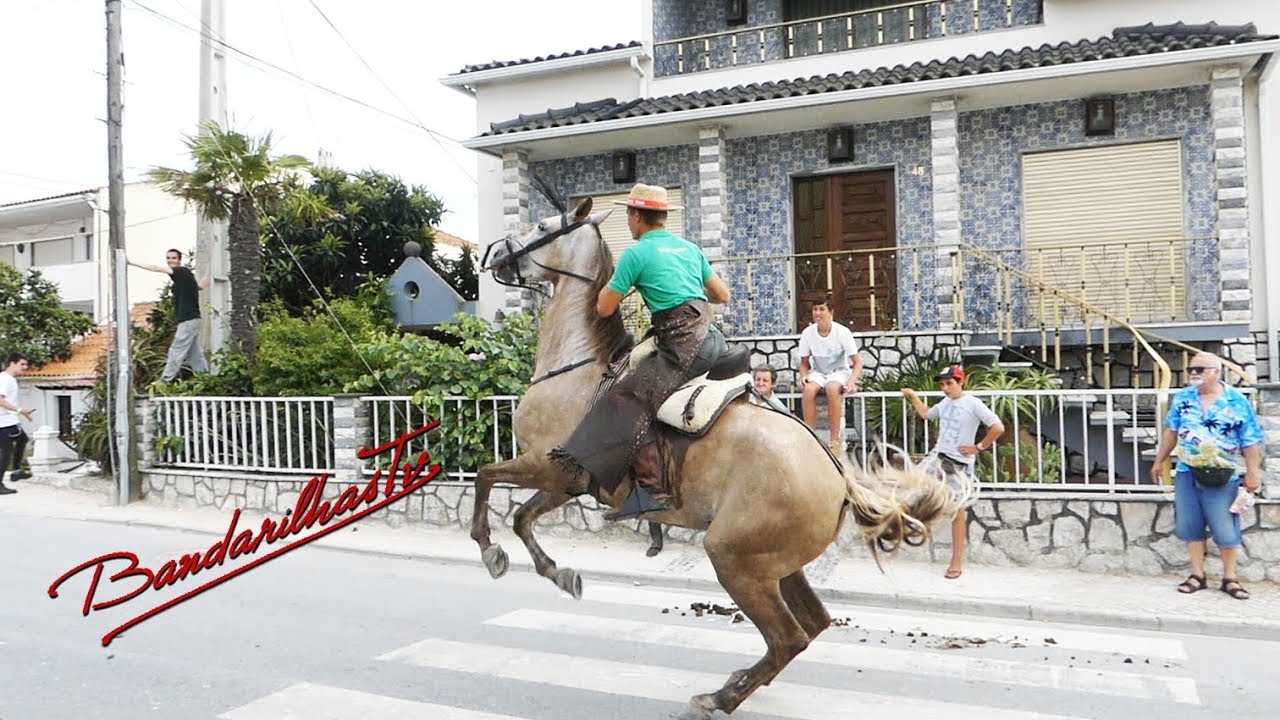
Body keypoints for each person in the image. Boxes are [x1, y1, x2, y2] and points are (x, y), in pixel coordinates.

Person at [552, 183, 731, 520]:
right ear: (662, 217)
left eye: (628, 216)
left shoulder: (636, 254)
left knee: (627, 400)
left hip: (682, 346)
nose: (629, 222)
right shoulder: (689, 248)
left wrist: (614, 285)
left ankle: (651, 490)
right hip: (713, 340)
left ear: (636, 217)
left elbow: (604, 309)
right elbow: (722, 295)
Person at [1150, 352, 1262, 600]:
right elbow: (1172, 431)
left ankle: (1230, 577)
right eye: (1191, 369)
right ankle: (1197, 575)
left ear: (1216, 371)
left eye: (1199, 369)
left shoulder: (1236, 401)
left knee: (1224, 526)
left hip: (1221, 474)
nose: (1193, 374)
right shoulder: (1184, 398)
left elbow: (1250, 440)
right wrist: (1160, 460)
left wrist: (1253, 473)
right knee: (1190, 524)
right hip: (1187, 471)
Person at [901, 365, 1004, 579]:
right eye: (942, 384)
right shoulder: (945, 402)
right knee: (908, 487)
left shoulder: (973, 403)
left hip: (960, 464)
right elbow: (927, 414)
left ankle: (956, 562)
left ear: (961, 382)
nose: (945, 388)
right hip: (938, 457)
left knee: (957, 513)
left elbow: (997, 427)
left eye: (949, 383)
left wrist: (979, 447)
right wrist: (912, 396)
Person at [128, 249, 210, 383]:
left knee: (175, 351)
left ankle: (164, 382)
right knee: (194, 355)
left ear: (179, 260)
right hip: (191, 320)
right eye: (168, 258)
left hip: (188, 320)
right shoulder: (184, 277)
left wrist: (131, 262)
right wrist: (211, 270)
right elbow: (200, 286)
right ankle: (206, 380)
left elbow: (155, 268)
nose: (170, 261)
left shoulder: (181, 272)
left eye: (173, 258)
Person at [798, 298, 863, 455]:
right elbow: (804, 362)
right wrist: (803, 376)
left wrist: (852, 382)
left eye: (821, 309)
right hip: (818, 371)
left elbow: (857, 361)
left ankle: (834, 440)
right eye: (815, 309)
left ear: (831, 312)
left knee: (832, 388)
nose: (817, 313)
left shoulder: (842, 332)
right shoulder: (808, 333)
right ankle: (811, 436)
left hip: (839, 371)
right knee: (808, 390)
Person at [0, 352, 35, 494]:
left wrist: (22, 413)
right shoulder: (4, 379)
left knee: (23, 439)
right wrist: (20, 410)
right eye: (22, 364)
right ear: (12, 364)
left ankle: (16, 471)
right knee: (5, 454)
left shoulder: (10, 379)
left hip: (9, 420)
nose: (25, 367)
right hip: (3, 423)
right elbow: (0, 400)